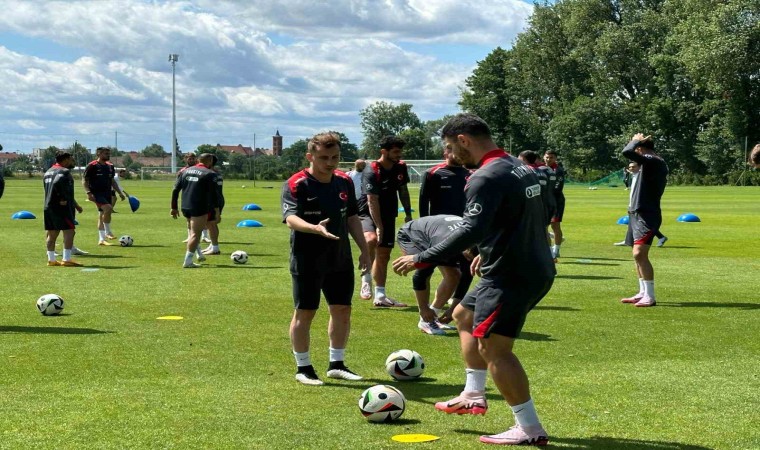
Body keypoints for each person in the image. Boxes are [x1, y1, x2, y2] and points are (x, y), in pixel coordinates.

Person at [393, 114, 555, 446]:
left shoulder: (484, 176)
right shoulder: (520, 167)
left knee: (495, 349)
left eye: (450, 147)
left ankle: (529, 428)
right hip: (528, 264)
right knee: (462, 315)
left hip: (511, 274)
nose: (450, 154)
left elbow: (470, 228)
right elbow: (541, 210)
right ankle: (473, 394)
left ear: (464, 140)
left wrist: (421, 257)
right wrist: (491, 247)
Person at [281, 132, 370, 386]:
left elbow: (352, 217)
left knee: (342, 309)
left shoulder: (344, 181)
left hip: (340, 257)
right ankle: (304, 368)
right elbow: (290, 219)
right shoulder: (296, 183)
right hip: (307, 259)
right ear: (310, 156)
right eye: (324, 158)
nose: (330, 163)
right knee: (305, 312)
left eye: (335, 157)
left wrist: (364, 249)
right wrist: (314, 228)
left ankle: (337, 365)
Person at [417, 143, 473, 328]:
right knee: (425, 271)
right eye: (453, 150)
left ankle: (437, 313)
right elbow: (423, 203)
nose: (458, 154)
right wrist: (425, 230)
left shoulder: (470, 174)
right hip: (437, 233)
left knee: (464, 271)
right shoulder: (432, 174)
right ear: (445, 152)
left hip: (462, 232)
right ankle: (425, 315)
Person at [357, 135, 413, 307]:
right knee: (371, 239)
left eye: (400, 151)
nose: (399, 155)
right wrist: (379, 226)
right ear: (384, 151)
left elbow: (403, 191)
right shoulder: (371, 170)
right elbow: (372, 200)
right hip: (367, 211)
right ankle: (366, 278)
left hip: (388, 212)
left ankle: (380, 296)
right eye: (395, 152)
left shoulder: (401, 167)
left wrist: (408, 214)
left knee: (384, 254)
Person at [396, 215, 474, 335]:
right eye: (468, 256)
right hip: (411, 234)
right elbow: (420, 276)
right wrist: (423, 309)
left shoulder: (476, 239)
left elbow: (467, 276)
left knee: (454, 275)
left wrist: (453, 308)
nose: (469, 260)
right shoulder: (444, 244)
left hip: (440, 232)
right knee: (425, 267)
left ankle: (432, 317)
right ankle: (425, 320)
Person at [620, 133, 668, 307]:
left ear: (640, 149)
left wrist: (634, 140)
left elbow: (627, 152)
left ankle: (650, 296)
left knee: (639, 253)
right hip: (636, 212)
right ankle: (642, 292)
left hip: (647, 213)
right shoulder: (648, 162)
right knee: (637, 256)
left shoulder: (653, 160)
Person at [170, 153, 221, 268]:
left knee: (193, 232)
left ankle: (199, 254)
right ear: (210, 161)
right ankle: (188, 261)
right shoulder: (210, 174)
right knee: (195, 234)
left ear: (198, 160)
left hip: (185, 207)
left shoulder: (185, 171)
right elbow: (214, 195)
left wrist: (174, 207)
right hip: (199, 207)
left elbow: (175, 189)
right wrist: (217, 210)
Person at [44, 151, 84, 267]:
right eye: (71, 159)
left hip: (48, 206)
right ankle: (66, 259)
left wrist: (76, 205)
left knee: (52, 234)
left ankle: (51, 260)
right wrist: (62, 198)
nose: (73, 162)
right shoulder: (64, 171)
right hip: (62, 207)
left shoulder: (48, 171)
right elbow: (58, 183)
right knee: (69, 231)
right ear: (65, 159)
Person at [614, 162, 667, 247]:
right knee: (632, 223)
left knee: (645, 224)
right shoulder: (634, 175)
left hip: (640, 205)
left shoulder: (642, 176)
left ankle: (661, 237)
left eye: (633, 167)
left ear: (639, 168)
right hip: (633, 203)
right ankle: (628, 241)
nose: (631, 169)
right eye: (630, 167)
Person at [83, 147, 126, 246]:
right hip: (96, 193)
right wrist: (88, 193)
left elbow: (112, 181)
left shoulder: (110, 166)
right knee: (108, 208)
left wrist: (120, 193)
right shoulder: (92, 165)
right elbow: (84, 180)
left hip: (107, 193)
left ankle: (101, 239)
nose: (108, 155)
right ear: (99, 154)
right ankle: (107, 232)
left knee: (102, 214)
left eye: (108, 153)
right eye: (106, 153)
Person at [543, 150, 565, 259]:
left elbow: (556, 188)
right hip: (546, 201)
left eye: (551, 157)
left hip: (556, 201)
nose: (548, 159)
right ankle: (548, 250)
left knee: (555, 225)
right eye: (547, 157)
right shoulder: (542, 169)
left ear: (555, 158)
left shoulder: (558, 171)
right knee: (544, 226)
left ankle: (556, 250)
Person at [202, 155, 224, 255]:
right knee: (211, 224)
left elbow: (213, 190)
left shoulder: (211, 174)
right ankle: (213, 245)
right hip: (218, 199)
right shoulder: (216, 173)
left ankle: (215, 247)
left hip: (214, 201)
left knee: (211, 224)